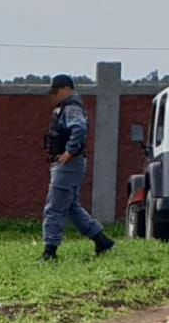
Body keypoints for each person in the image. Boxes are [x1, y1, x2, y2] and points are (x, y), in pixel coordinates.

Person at [41, 74, 116, 260]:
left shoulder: (71, 107)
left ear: (66, 89)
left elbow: (79, 128)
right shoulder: (69, 107)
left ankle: (50, 251)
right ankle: (102, 240)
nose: (54, 97)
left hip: (67, 165)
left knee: (54, 207)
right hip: (71, 164)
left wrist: (69, 152)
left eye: (56, 92)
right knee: (71, 207)